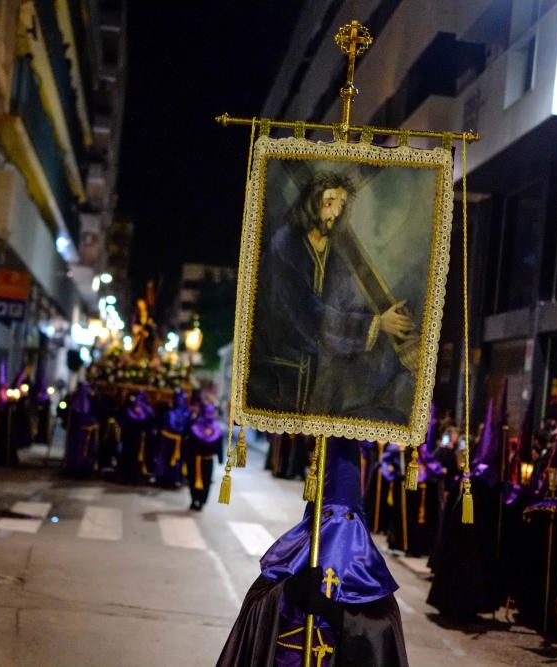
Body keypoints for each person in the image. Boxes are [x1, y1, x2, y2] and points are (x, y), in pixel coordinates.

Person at [218, 438, 407, 666]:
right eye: (327, 516)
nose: (338, 529)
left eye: (348, 518)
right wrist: (287, 593)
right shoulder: (287, 562)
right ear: (313, 519)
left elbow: (383, 638)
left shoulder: (371, 578)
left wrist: (338, 616)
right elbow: (254, 620)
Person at [246, 171, 416, 422]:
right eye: (329, 203)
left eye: (341, 205)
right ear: (312, 202)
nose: (335, 213)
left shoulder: (333, 250)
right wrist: (375, 324)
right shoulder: (285, 246)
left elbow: (345, 301)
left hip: (318, 381)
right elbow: (305, 316)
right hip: (283, 381)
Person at [184, 402, 223, 511]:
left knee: (201, 481)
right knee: (199, 481)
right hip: (202, 460)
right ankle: (197, 501)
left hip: (198, 459)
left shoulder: (196, 425)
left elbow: (187, 443)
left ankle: (198, 501)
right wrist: (220, 458)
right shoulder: (196, 425)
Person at [155, 388, 190, 488]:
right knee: (171, 460)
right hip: (175, 440)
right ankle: (172, 480)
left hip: (169, 440)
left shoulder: (172, 411)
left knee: (168, 459)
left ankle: (166, 479)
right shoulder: (185, 412)